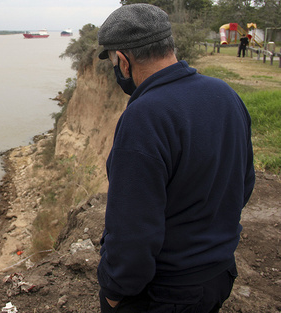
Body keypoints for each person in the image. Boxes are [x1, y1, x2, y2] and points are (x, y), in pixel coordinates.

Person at [96, 4, 255, 313]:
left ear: (124, 62)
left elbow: (132, 229)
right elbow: (243, 184)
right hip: (219, 274)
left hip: (166, 292)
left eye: (115, 61)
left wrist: (115, 292)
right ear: (168, 46)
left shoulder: (144, 116)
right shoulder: (225, 94)